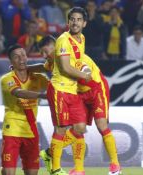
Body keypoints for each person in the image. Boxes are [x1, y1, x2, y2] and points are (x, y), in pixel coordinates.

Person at [34, 35, 122, 175]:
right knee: (79, 128)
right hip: (79, 94)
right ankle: (79, 169)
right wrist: (26, 68)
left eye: (45, 52)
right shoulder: (54, 61)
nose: (44, 56)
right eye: (42, 53)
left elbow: (85, 70)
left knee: (102, 126)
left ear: (55, 47)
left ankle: (115, 165)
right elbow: (43, 67)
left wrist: (83, 73)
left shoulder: (71, 57)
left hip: (96, 89)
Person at [43, 7, 92, 175]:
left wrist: (83, 69)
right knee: (61, 130)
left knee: (80, 128)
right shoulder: (63, 40)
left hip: (73, 91)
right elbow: (64, 67)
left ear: (84, 23)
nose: (75, 22)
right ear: (68, 22)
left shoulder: (82, 38)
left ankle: (75, 168)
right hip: (59, 89)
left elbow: (77, 62)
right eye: (72, 19)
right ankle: (55, 169)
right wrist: (84, 76)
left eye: (78, 19)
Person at [0, 44, 48, 175]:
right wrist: (42, 95)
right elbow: (18, 92)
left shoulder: (38, 78)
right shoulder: (7, 79)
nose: (21, 59)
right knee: (8, 172)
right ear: (11, 61)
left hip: (31, 130)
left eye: (23, 55)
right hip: (12, 129)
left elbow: (53, 81)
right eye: (16, 57)